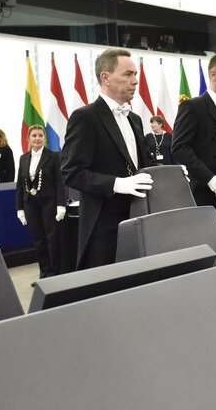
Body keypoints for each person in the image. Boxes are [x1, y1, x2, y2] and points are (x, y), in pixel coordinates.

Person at [62, 48, 154, 269]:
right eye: (128, 74)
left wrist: (172, 173)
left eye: (136, 75)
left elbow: (142, 166)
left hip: (138, 217)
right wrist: (116, 184)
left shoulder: (135, 119)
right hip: (103, 224)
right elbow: (71, 172)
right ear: (105, 78)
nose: (135, 81)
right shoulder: (85, 117)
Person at [172, 52, 216, 210]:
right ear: (214, 75)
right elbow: (179, 148)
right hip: (204, 189)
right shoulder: (192, 106)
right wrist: (209, 178)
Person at [15, 125, 66, 278]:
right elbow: (19, 185)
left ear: (44, 138)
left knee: (52, 238)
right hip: (30, 204)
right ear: (29, 139)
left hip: (49, 203)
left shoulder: (54, 156)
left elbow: (59, 182)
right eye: (34, 136)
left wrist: (61, 205)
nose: (37, 138)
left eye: (40, 135)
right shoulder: (23, 158)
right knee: (38, 239)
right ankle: (44, 273)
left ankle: (54, 272)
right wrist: (20, 208)